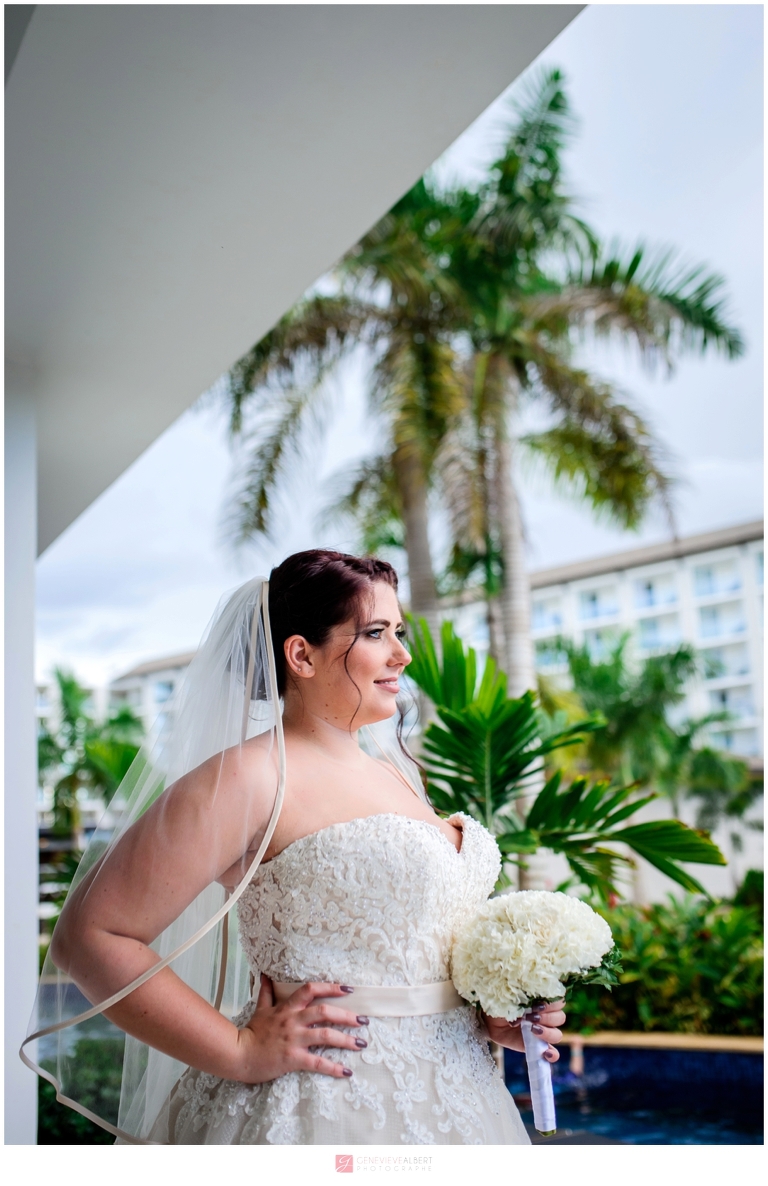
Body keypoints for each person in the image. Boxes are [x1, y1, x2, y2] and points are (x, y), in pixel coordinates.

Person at [23, 550, 565, 1144]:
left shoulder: (397, 774)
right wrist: (239, 1051)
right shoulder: (248, 777)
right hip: (323, 1107)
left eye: (399, 632)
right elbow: (89, 937)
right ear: (301, 654)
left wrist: (491, 1013)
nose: (402, 654)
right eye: (376, 633)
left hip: (461, 1101)